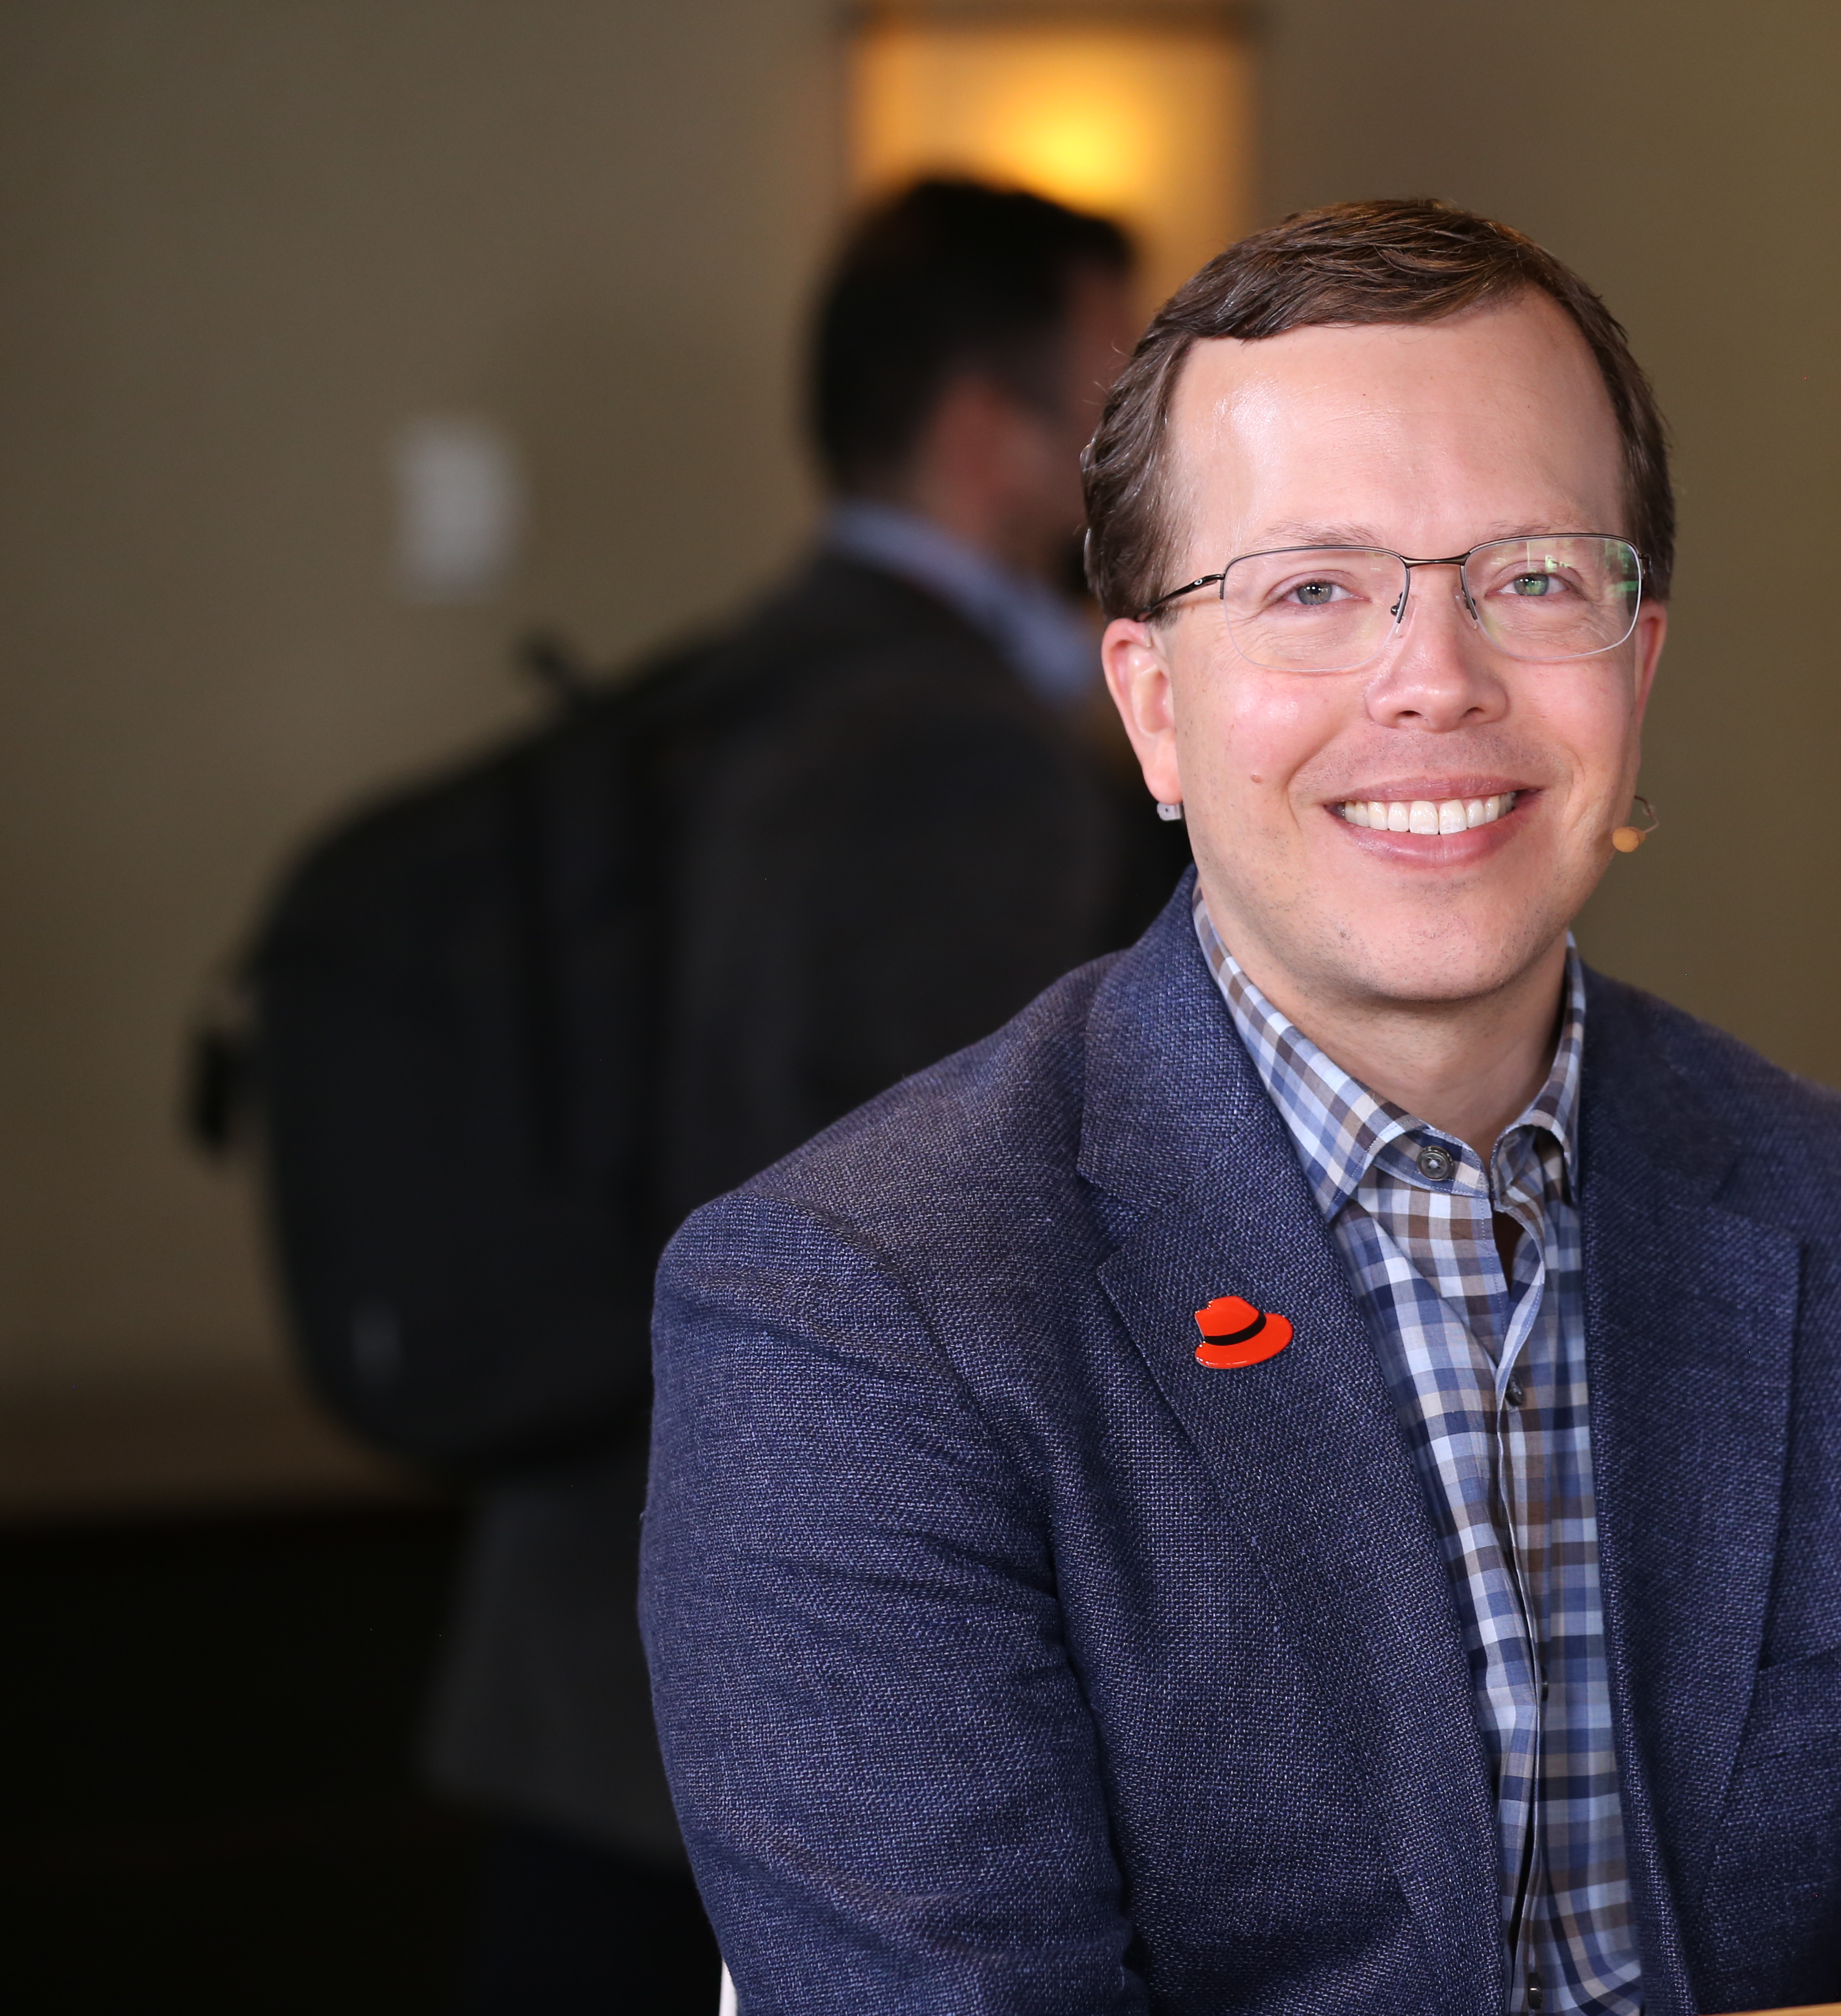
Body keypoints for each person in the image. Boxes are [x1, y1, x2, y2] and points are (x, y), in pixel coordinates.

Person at [641, 199, 1841, 2014]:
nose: (1435, 681)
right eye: (1313, 591)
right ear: (1153, 710)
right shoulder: (856, 1321)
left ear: (1639, 666)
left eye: (1532, 578)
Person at [424, 179, 1175, 2013]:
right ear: (993, 438)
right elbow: (960, 1236)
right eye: (1118, 403)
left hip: (588, 1590)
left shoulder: (739, 679)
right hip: (767, 1651)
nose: (1147, 458)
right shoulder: (958, 760)